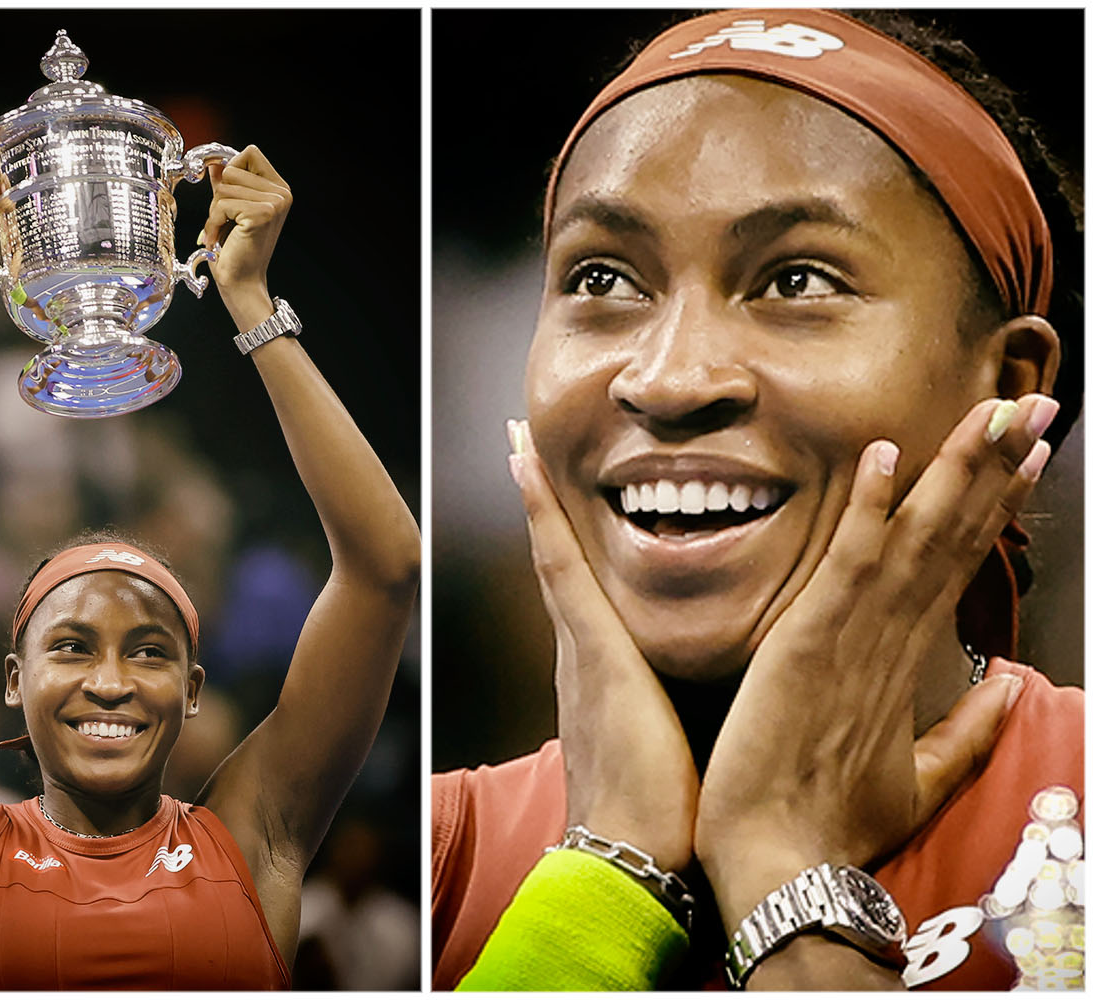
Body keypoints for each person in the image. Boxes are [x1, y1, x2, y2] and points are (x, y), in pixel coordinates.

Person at [431, 9, 1084, 991]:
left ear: (1006, 390)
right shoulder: (432, 851)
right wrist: (608, 871)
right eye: (599, 275)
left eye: (796, 279)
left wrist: (780, 866)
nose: (667, 377)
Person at [0, 145, 419, 988]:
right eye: (73, 646)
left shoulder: (254, 836)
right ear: (13, 678)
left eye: (150, 651)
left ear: (195, 691)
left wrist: (250, 300)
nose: (112, 680)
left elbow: (385, 570)